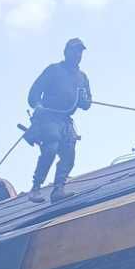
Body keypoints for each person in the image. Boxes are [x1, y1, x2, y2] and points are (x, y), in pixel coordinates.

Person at [25, 38, 92, 202]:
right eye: (74, 50)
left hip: (65, 119)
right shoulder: (54, 70)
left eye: (80, 51)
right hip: (48, 116)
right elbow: (33, 94)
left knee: (69, 153)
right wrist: (38, 105)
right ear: (66, 52)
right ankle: (35, 188)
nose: (77, 54)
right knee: (51, 147)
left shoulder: (82, 77)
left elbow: (87, 103)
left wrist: (84, 100)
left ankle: (59, 189)